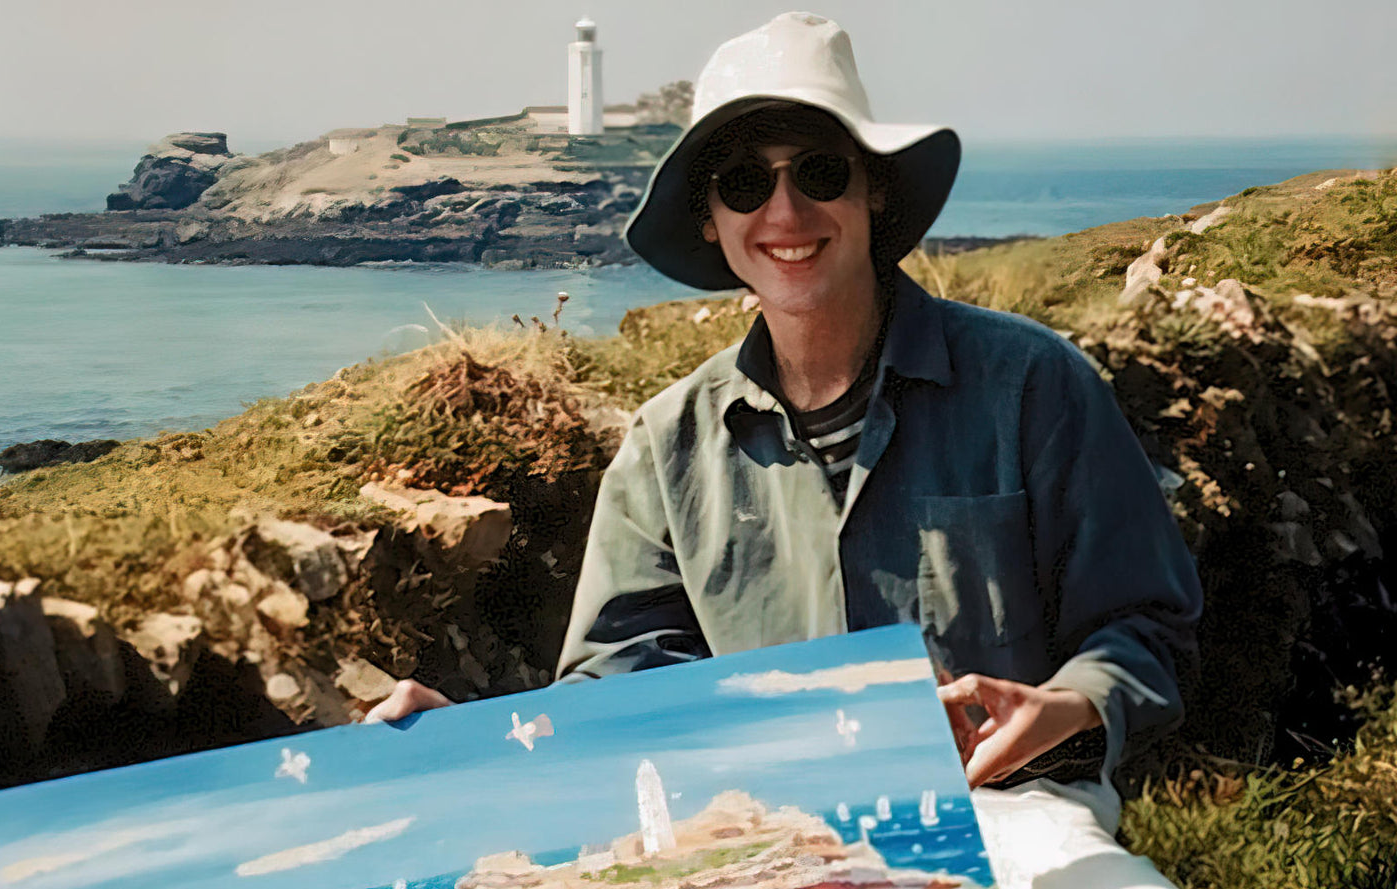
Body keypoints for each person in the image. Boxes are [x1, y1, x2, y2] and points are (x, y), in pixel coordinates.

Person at [368, 12, 1201, 888]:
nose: (786, 212)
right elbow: (620, 696)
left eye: (820, 171)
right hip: (766, 843)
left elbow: (1148, 623)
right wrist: (470, 744)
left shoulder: (1033, 384)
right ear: (710, 219)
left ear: (872, 190)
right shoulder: (664, 448)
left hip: (1010, 819)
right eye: (742, 183)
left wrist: (1072, 702)